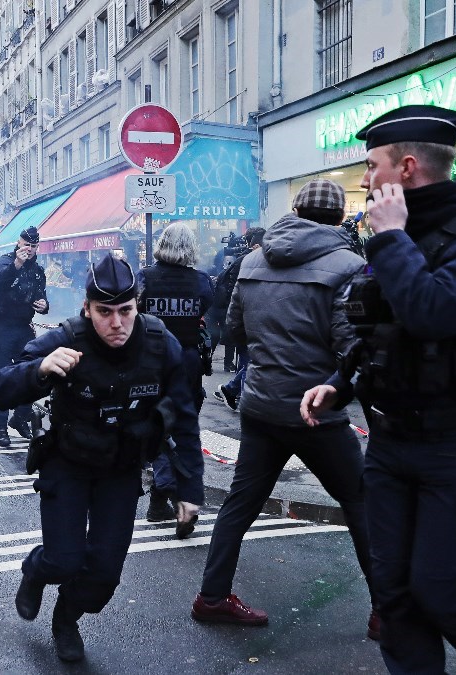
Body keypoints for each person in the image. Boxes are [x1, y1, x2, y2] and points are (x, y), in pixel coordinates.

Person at [301, 105, 456, 674]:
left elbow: (432, 313)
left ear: (405, 169)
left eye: (372, 166)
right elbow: (382, 328)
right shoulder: (393, 240)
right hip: (389, 444)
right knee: (395, 596)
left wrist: (391, 239)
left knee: (443, 592)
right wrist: (340, 383)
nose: (364, 179)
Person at [0, 254, 203, 663]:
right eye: (105, 312)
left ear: (138, 305)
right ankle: (35, 570)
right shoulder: (66, 338)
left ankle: (66, 617)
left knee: (104, 575)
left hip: (120, 468)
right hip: (67, 462)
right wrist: (40, 370)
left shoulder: (160, 343)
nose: (117, 323)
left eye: (126, 310)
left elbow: (184, 417)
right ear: (87, 308)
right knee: (62, 559)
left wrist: (188, 490)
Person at [192, 179, 377, 636]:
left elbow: (234, 331)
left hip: (260, 402)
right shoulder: (350, 265)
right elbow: (350, 344)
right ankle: (388, 610)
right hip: (316, 408)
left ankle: (211, 596)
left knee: (240, 503)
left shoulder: (254, 259)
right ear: (338, 217)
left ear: (294, 209)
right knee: (361, 504)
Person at [136, 223, 213, 525]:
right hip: (186, 360)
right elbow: (207, 306)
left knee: (157, 426)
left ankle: (162, 493)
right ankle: (168, 494)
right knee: (182, 429)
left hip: (151, 359)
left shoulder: (145, 277)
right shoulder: (201, 281)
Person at [0, 226, 49, 447]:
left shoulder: (38, 270)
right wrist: (17, 264)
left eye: (33, 246)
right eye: (26, 245)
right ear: (18, 242)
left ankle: (20, 418)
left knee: (33, 374)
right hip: (1, 326)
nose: (29, 249)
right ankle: (0, 429)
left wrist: (44, 305)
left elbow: (41, 295)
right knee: (2, 377)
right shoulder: (5, 261)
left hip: (23, 326)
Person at [214, 227, 265, 410]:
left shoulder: (245, 262)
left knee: (249, 360)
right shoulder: (247, 263)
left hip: (246, 319)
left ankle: (233, 390)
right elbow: (236, 295)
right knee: (248, 359)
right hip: (246, 320)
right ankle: (243, 399)